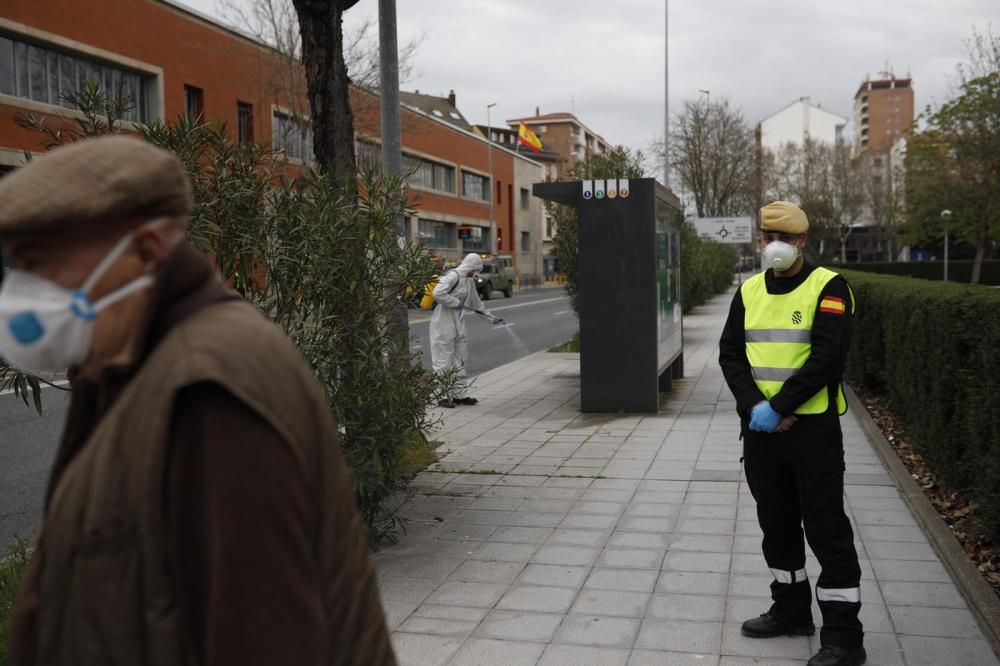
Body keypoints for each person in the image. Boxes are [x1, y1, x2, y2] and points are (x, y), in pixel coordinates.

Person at [0, 136, 396, 666]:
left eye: (43, 264)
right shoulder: (120, 358)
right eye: (17, 267)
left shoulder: (208, 387)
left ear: (143, 253)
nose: (24, 290)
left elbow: (263, 639)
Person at [719, 201, 865, 666]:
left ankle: (844, 638)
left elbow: (827, 359)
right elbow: (731, 356)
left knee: (826, 529)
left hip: (812, 433)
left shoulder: (830, 287)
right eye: (767, 237)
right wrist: (755, 408)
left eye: (784, 237)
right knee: (776, 525)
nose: (774, 245)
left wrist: (780, 406)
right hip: (762, 433)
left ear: (803, 241)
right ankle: (791, 611)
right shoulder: (749, 290)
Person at [429, 252, 496, 408]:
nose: (476, 272)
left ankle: (460, 395)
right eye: (476, 269)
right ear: (470, 266)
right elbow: (438, 293)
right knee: (443, 360)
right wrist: (455, 302)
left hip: (458, 322)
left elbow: (476, 304)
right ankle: (442, 396)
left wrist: (492, 319)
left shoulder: (469, 281)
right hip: (443, 321)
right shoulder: (453, 276)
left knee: (460, 360)